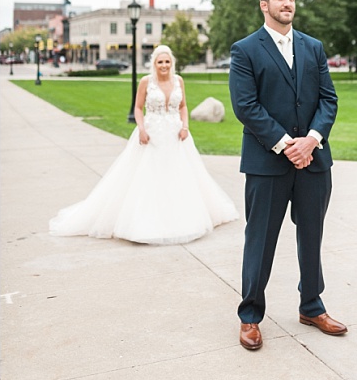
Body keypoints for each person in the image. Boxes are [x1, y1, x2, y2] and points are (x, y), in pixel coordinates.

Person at [229, 0, 345, 351]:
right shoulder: (245, 50)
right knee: (260, 241)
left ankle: (312, 306)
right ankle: (250, 316)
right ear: (265, 5)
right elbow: (246, 106)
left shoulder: (313, 48)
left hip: (314, 161)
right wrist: (285, 144)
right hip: (267, 162)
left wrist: (311, 139)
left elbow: (329, 100)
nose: (288, 3)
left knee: (312, 236)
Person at [49, 44, 239, 244]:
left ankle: (181, 217)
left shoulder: (178, 81)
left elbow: (183, 106)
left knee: (180, 175)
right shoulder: (146, 82)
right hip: (152, 133)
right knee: (148, 176)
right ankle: (146, 222)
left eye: (167, 61)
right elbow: (138, 108)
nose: (164, 65)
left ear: (171, 63)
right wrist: (141, 128)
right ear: (154, 64)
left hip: (176, 134)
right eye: (160, 62)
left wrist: (185, 126)